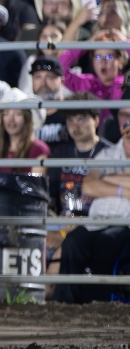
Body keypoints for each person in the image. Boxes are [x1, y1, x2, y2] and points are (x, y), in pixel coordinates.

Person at [54, 120, 130, 304]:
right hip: (96, 220)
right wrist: (123, 189)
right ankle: (64, 306)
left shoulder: (105, 159)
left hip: (126, 224)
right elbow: (88, 186)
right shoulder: (107, 154)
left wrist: (106, 179)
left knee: (107, 243)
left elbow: (96, 183)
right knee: (72, 242)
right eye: (129, 136)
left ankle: (97, 306)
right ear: (124, 136)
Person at [56, 32, 126, 117]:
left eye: (109, 57)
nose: (103, 61)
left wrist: (125, 43)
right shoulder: (87, 83)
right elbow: (59, 67)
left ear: (120, 62)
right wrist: (86, 45)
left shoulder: (126, 84)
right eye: (98, 57)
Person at [0, 89, 48, 176]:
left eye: (17, 113)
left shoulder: (38, 151)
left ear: (27, 118)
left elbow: (36, 186)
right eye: (6, 113)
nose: (11, 120)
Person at [23, 56, 71, 145]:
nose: (43, 83)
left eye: (50, 77)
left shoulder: (72, 113)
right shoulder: (25, 115)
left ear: (62, 82)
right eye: (38, 77)